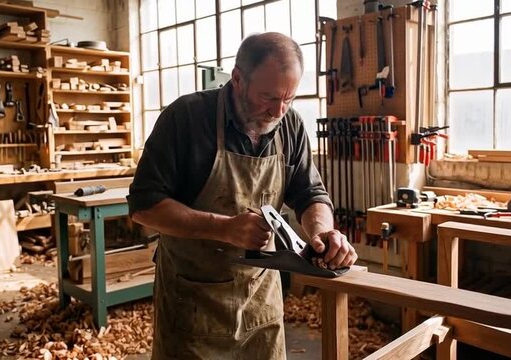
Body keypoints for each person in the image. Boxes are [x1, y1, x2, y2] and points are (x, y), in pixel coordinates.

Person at [128, 32, 357, 359]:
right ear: (237, 79)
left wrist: (323, 234)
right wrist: (222, 227)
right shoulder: (186, 119)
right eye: (268, 96)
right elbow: (144, 206)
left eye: (288, 99)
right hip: (193, 301)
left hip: (259, 302)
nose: (278, 110)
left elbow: (310, 192)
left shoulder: (289, 124)